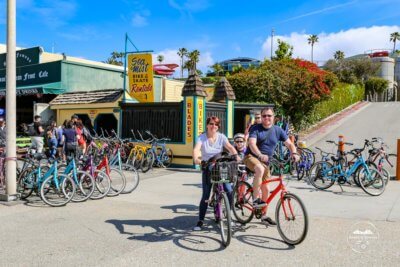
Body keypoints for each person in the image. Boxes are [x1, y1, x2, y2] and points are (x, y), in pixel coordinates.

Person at [243, 107, 299, 225]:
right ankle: (254, 199)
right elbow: (252, 143)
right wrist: (259, 154)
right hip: (251, 157)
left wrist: (294, 153)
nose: (266, 118)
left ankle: (263, 215)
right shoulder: (255, 128)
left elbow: (289, 144)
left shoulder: (278, 130)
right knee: (259, 168)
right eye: (264, 116)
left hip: (267, 161)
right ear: (261, 117)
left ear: (274, 117)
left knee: (266, 189)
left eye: (269, 116)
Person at [192, 116, 241, 231]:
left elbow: (229, 147)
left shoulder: (221, 137)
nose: (213, 126)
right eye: (211, 124)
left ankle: (229, 216)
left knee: (228, 190)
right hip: (207, 166)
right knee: (205, 195)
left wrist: (236, 156)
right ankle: (200, 220)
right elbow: (196, 149)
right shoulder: (202, 137)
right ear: (207, 125)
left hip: (220, 165)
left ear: (218, 127)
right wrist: (197, 159)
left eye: (216, 124)